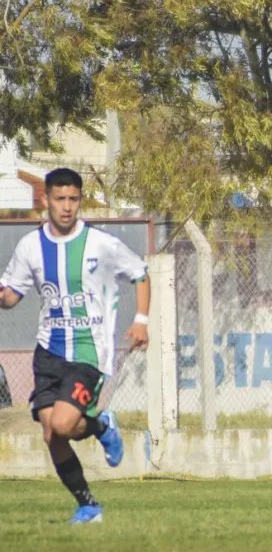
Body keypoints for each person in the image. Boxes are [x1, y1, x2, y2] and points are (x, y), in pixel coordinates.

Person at [0, 168, 151, 524]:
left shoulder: (100, 243)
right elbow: (11, 296)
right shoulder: (30, 246)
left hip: (88, 350)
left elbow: (140, 273)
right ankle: (89, 506)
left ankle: (101, 426)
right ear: (46, 200)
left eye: (73, 199)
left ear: (80, 200)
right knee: (52, 433)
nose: (67, 207)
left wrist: (141, 320)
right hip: (48, 351)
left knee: (65, 424)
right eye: (60, 199)